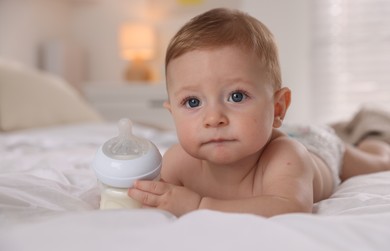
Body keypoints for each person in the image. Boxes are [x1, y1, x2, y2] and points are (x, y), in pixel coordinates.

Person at [128, 8, 390, 217]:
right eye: (193, 102)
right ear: (172, 112)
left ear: (277, 108)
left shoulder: (287, 157)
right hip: (277, 131)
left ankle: (374, 130)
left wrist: (198, 206)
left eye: (236, 96)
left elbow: (290, 207)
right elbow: (154, 197)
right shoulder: (177, 162)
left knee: (377, 161)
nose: (213, 118)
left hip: (318, 146)